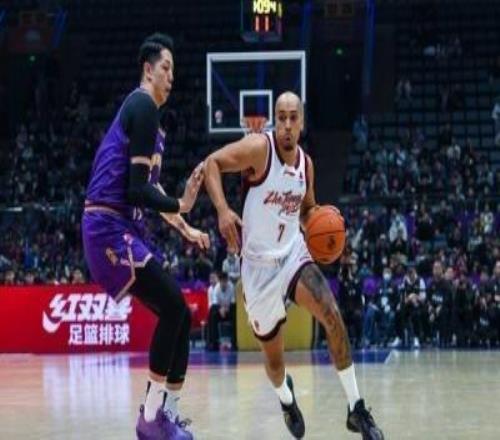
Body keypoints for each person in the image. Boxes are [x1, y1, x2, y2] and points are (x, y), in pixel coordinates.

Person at [204, 92, 384, 439]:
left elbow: (306, 210)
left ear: (302, 122)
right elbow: (212, 163)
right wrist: (223, 211)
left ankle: (356, 408)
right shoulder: (259, 148)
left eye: (293, 118)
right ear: (275, 120)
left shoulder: (306, 165)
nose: (287, 125)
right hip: (257, 269)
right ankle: (286, 399)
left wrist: (324, 222)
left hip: (292, 255)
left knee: (331, 313)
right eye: (281, 117)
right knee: (274, 364)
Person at [82, 33, 210, 440]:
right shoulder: (142, 106)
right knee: (173, 305)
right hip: (107, 227)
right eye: (165, 68)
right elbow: (137, 191)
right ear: (148, 69)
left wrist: (185, 225)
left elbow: (148, 190)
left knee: (181, 315)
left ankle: (166, 414)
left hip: (119, 226)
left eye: (173, 70)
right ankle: (150, 417)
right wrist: (181, 202)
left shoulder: (148, 119)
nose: (171, 76)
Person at [207, 272, 236, 350]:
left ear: (227, 280)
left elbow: (233, 302)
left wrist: (226, 308)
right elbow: (215, 303)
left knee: (235, 313)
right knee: (212, 312)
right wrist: (220, 309)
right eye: (222, 281)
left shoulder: (231, 287)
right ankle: (214, 343)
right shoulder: (216, 289)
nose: (224, 283)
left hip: (229, 310)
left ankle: (234, 342)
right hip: (219, 311)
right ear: (219, 281)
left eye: (225, 281)